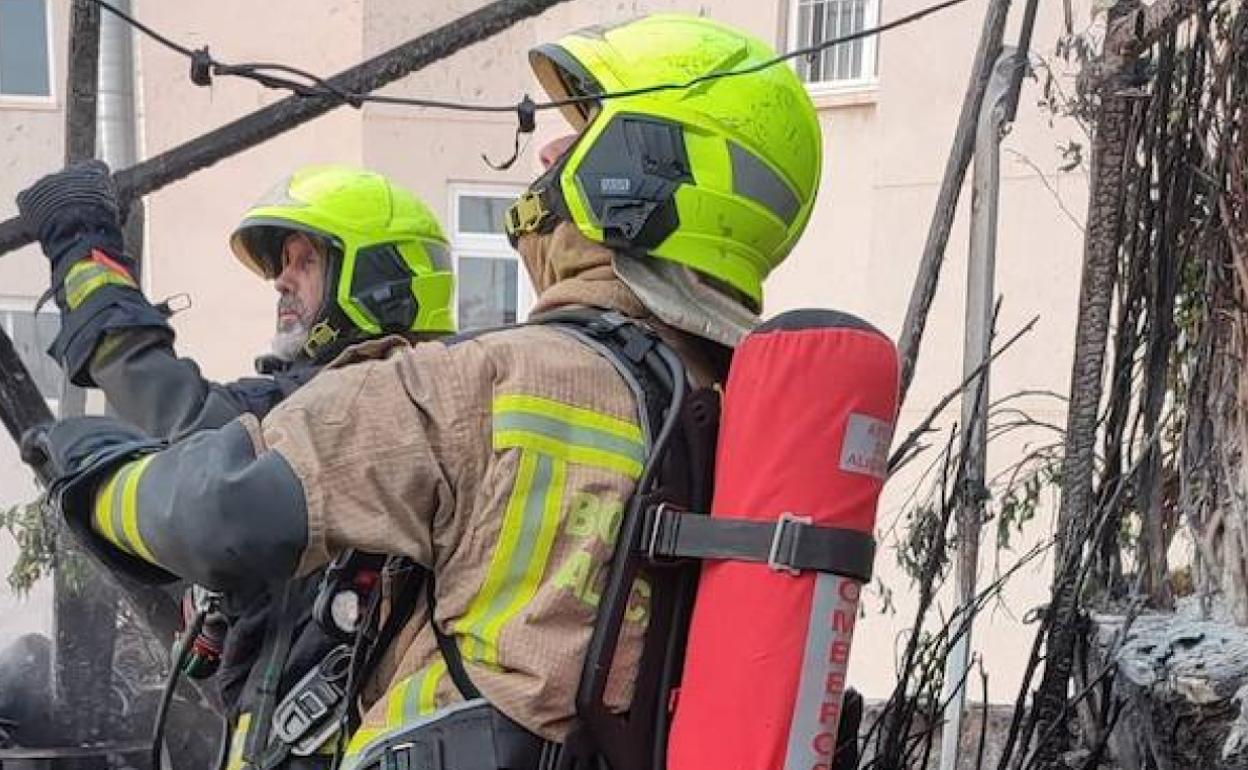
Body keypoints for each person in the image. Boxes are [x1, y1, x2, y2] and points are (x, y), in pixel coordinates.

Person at [24, 14, 822, 769]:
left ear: (642, 169)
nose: (550, 151)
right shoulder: (731, 411)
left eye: (582, 134)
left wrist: (89, 476)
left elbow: (217, 512)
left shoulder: (489, 384)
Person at [12, 163, 456, 768]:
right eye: (282, 264)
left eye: (305, 262)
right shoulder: (353, 403)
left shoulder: (376, 407)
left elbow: (173, 406)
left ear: (378, 282)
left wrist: (82, 248)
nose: (281, 281)